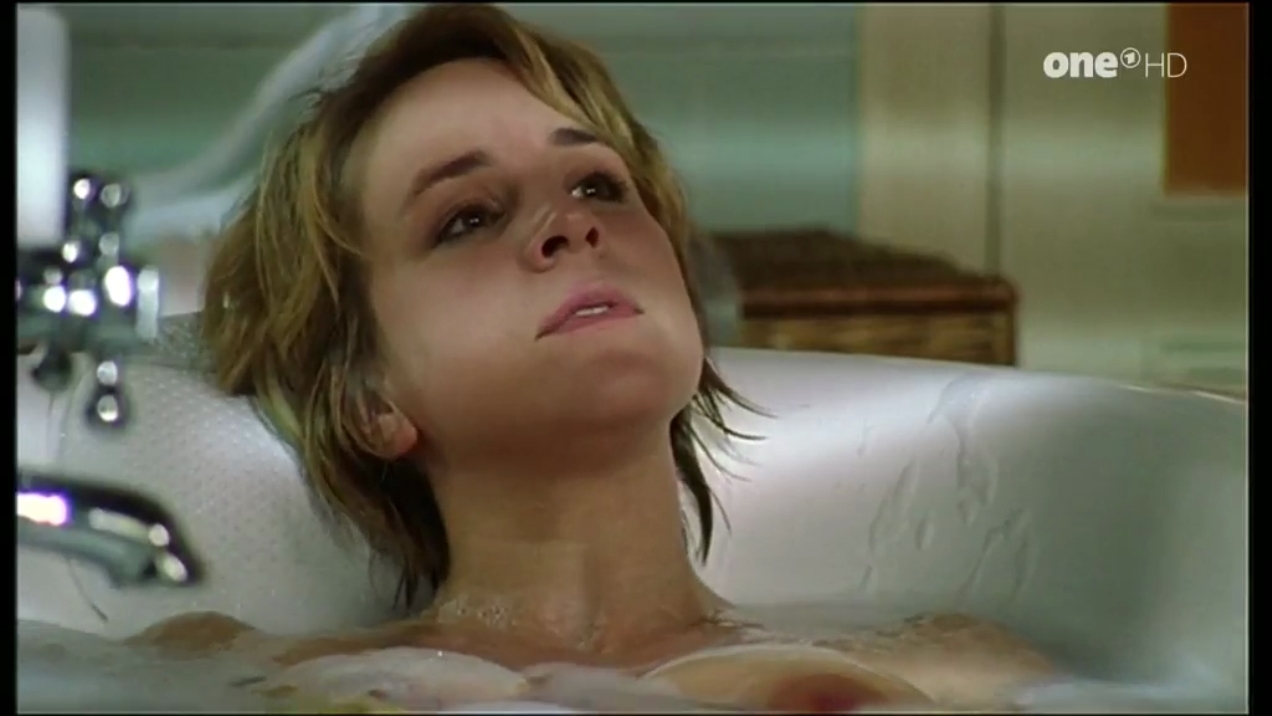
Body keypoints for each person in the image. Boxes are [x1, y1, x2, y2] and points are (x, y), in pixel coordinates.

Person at [131, 3, 1056, 711]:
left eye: (599, 185)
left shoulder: (949, 666)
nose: (569, 223)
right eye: (468, 217)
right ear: (369, 396)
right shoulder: (241, 676)